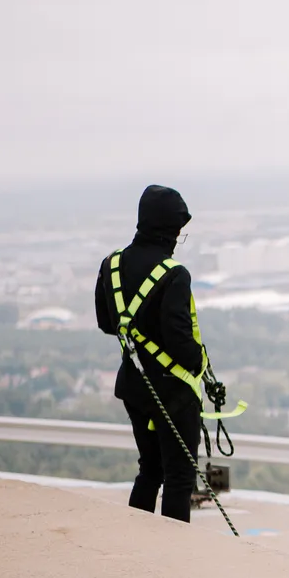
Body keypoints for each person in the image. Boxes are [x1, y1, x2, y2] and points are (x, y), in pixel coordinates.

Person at [95, 185, 208, 523]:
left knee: (150, 470)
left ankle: (138, 544)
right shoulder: (175, 274)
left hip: (135, 386)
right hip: (173, 392)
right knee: (179, 476)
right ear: (168, 230)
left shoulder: (111, 265)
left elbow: (107, 323)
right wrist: (200, 361)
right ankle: (173, 555)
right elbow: (180, 342)